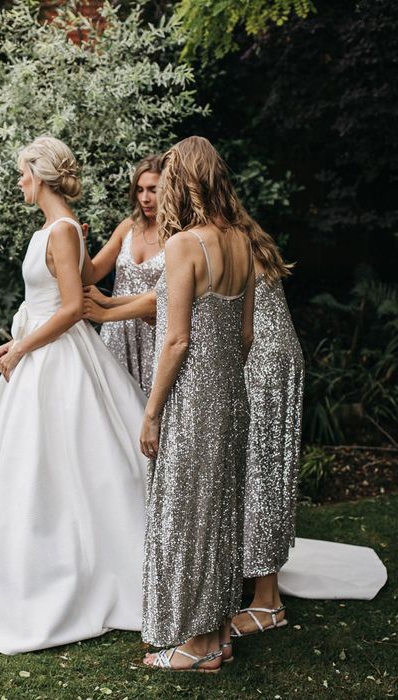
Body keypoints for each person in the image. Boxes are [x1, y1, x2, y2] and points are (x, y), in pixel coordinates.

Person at [0, 136, 149, 655]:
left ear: (42, 176)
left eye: (23, 173)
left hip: (58, 360)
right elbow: (64, 289)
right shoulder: (55, 230)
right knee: (29, 466)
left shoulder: (64, 230)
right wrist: (20, 342)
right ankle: (22, 566)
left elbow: (72, 307)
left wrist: (22, 347)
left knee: (73, 462)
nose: (19, 181)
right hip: (40, 355)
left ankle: (84, 570)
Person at [139, 136, 255, 673]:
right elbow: (247, 336)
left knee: (188, 514)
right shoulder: (242, 242)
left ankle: (195, 644)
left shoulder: (187, 244)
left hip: (192, 398)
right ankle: (218, 636)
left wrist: (153, 411)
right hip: (232, 396)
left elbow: (177, 340)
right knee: (220, 515)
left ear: (183, 181)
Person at [229, 230, 303, 638]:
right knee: (259, 473)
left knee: (261, 475)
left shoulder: (225, 241)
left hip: (262, 364)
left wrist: (105, 309)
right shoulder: (244, 234)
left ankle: (267, 602)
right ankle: (255, 583)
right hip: (275, 358)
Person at [80, 156, 165, 395]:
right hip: (116, 328)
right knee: (114, 404)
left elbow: (166, 295)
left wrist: (106, 305)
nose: (144, 198)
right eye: (139, 190)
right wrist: (80, 246)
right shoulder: (128, 227)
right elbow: (91, 274)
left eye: (152, 190)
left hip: (154, 332)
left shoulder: (179, 235)